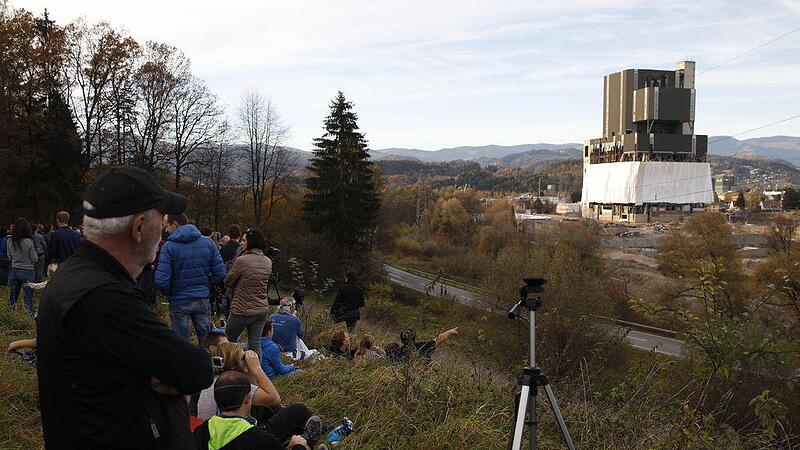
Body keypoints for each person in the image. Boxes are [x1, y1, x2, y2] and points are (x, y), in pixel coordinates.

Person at [36, 166, 214, 449]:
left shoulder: (77, 276)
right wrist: (162, 375)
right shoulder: (105, 298)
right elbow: (197, 369)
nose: (165, 226)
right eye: (162, 217)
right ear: (140, 228)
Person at [193, 370, 323, 450]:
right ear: (248, 398)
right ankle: (308, 443)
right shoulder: (261, 440)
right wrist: (298, 445)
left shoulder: (200, 432)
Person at [156, 213, 227, 345]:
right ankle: (208, 364)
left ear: (175, 224)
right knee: (207, 342)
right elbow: (221, 272)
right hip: (201, 298)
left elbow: (161, 280)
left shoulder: (169, 247)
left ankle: (184, 365)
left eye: (167, 226)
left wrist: (171, 292)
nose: (166, 230)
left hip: (179, 300)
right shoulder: (208, 243)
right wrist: (206, 285)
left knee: (180, 343)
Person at [198, 342, 281, 420]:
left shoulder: (213, 380)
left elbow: (255, 394)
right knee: (279, 409)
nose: (246, 360)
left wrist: (250, 370)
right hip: (228, 432)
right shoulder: (233, 382)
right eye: (242, 358)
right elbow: (274, 399)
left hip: (210, 429)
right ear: (233, 364)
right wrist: (256, 368)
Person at [224, 228, 272, 359]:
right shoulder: (268, 262)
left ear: (251, 242)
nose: (240, 243)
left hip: (241, 310)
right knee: (255, 344)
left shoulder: (241, 261)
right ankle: (256, 376)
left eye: (243, 240)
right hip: (261, 310)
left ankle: (227, 373)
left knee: (228, 342)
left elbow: (228, 281)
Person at [7, 217, 38, 313]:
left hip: (14, 270)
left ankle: (10, 315)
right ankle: (28, 317)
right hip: (28, 271)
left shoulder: (10, 240)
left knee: (12, 297)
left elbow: (9, 256)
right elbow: (34, 259)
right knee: (28, 298)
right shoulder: (29, 241)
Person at [386, 327, 459, 361]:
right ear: (414, 338)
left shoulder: (396, 352)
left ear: (402, 340)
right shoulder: (422, 346)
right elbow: (439, 339)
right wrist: (450, 332)